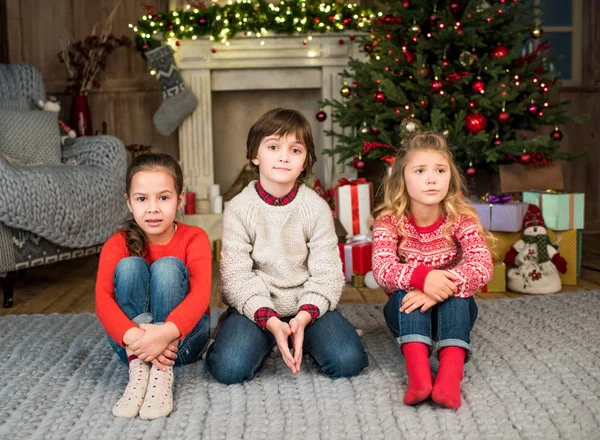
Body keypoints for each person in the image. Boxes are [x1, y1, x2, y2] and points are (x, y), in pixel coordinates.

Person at [206, 108, 368, 384]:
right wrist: (268, 318)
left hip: (306, 304)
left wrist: (305, 316)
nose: (284, 156)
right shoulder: (239, 208)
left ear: (305, 161)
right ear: (255, 155)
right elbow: (236, 277)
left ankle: (299, 334)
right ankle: (266, 334)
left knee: (348, 361)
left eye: (295, 150)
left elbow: (329, 273)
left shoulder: (315, 208)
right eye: (273, 147)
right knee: (229, 368)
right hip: (258, 303)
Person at [371, 132, 493, 409]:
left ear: (450, 177)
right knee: (406, 296)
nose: (431, 178)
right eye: (420, 170)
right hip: (406, 311)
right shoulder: (389, 222)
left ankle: (450, 376)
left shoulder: (461, 219)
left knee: (457, 297)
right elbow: (382, 269)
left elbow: (482, 266)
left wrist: (438, 291)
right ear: (402, 178)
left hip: (454, 311)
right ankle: (419, 376)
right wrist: (424, 279)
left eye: (440, 170)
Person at [95, 153, 212, 419]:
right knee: (129, 266)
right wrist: (134, 338)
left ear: (179, 199)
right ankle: (138, 372)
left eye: (163, 197)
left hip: (181, 343)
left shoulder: (195, 238)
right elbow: (102, 299)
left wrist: (165, 335)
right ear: (128, 202)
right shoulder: (117, 242)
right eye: (141, 199)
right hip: (132, 346)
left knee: (167, 267)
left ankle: (160, 374)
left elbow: (201, 295)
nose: (153, 208)